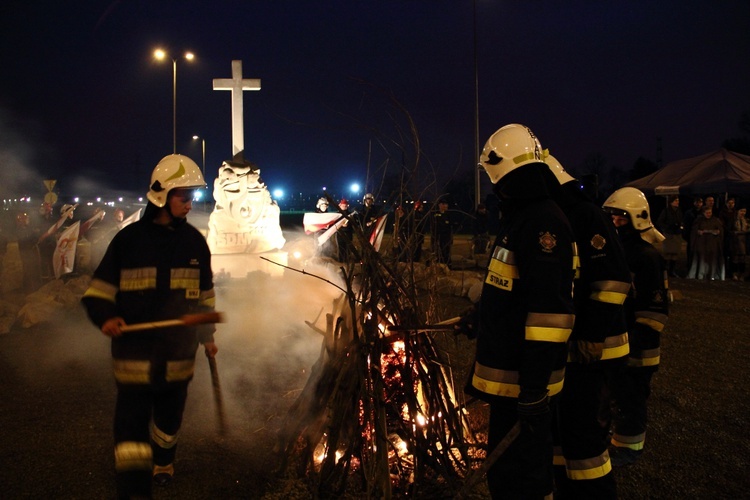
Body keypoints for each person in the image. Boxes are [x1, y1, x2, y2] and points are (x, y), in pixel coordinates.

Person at [81, 154, 218, 499]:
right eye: (183, 196)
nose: (190, 204)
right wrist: (106, 317)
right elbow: (98, 292)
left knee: (169, 422)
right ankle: (133, 489)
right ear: (161, 194)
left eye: (193, 197)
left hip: (178, 358)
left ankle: (164, 459)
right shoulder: (128, 242)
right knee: (130, 429)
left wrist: (207, 335)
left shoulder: (194, 244)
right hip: (134, 358)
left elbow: (205, 296)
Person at [463, 124, 575, 499]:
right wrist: (478, 317)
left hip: (524, 380)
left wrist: (533, 389)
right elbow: (509, 289)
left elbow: (549, 314)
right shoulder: (523, 216)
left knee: (523, 475)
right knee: (507, 473)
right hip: (512, 378)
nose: (495, 188)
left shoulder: (543, 222)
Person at [546, 156, 631, 498]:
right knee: (563, 430)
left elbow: (613, 279)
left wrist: (592, 335)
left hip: (597, 349)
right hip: (573, 347)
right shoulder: (557, 215)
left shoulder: (585, 215)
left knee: (584, 436)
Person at [602, 187, 669, 467]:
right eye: (612, 218)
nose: (615, 224)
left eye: (620, 218)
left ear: (637, 219)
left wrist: (634, 342)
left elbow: (654, 311)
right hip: (622, 342)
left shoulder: (646, 257)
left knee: (631, 398)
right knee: (616, 395)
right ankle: (618, 441)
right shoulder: (619, 252)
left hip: (639, 347)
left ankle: (630, 449)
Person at [687, 206, 725, 280]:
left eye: (710, 212)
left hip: (712, 244)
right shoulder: (699, 220)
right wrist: (698, 232)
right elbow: (694, 231)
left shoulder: (715, 220)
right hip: (702, 244)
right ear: (703, 213)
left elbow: (720, 231)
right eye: (707, 213)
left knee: (712, 260)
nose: (709, 214)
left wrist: (717, 233)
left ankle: (712, 275)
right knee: (701, 260)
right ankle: (700, 275)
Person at [655, 195, 684, 277]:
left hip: (676, 234)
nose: (677, 202)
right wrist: (667, 228)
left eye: (678, 200)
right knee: (667, 253)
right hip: (669, 234)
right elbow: (660, 222)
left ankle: (672, 271)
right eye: (675, 201)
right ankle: (665, 271)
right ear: (671, 202)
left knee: (675, 253)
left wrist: (680, 227)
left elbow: (681, 220)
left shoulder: (679, 211)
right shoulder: (666, 211)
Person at [431, 198, 456, 267]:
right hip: (438, 235)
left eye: (446, 204)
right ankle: (440, 264)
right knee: (439, 251)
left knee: (447, 251)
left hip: (446, 236)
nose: (445, 206)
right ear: (440, 205)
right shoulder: (435, 214)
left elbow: (451, 225)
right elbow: (434, 226)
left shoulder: (449, 214)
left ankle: (448, 265)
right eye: (444, 204)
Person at [682, 196, 703, 270]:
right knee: (691, 251)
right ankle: (690, 266)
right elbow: (686, 224)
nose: (698, 204)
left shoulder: (703, 212)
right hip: (691, 235)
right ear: (694, 203)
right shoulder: (689, 213)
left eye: (700, 202)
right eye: (697, 202)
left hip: (700, 235)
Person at [719, 197, 737, 277]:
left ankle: (732, 271)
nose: (730, 205)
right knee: (725, 254)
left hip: (733, 236)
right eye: (729, 203)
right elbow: (722, 223)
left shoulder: (735, 213)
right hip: (726, 236)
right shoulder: (723, 213)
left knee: (733, 255)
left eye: (732, 203)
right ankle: (725, 271)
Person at [730, 206, 748, 281]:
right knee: (735, 258)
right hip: (735, 242)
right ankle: (734, 274)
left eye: (744, 211)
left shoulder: (746, 221)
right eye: (741, 211)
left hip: (744, 242)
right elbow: (730, 230)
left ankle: (742, 274)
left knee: (742, 259)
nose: (743, 213)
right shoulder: (733, 220)